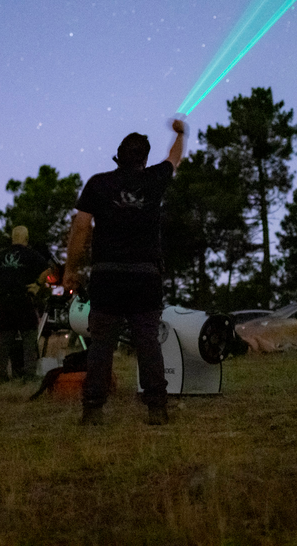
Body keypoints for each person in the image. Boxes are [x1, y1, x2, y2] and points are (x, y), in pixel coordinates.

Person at [63, 119, 186, 426]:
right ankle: (156, 408)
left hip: (107, 276)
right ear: (145, 159)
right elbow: (174, 158)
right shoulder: (154, 179)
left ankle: (93, 409)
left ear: (118, 155)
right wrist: (180, 133)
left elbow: (80, 227)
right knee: (148, 343)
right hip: (146, 276)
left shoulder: (98, 183)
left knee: (101, 345)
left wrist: (70, 269)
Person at [0, 226, 50, 382]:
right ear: (26, 238)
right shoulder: (30, 254)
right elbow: (46, 269)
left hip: (5, 301)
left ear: (12, 238)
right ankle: (30, 373)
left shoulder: (1, 255)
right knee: (29, 336)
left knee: (4, 338)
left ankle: (0, 374)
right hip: (23, 299)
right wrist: (37, 285)